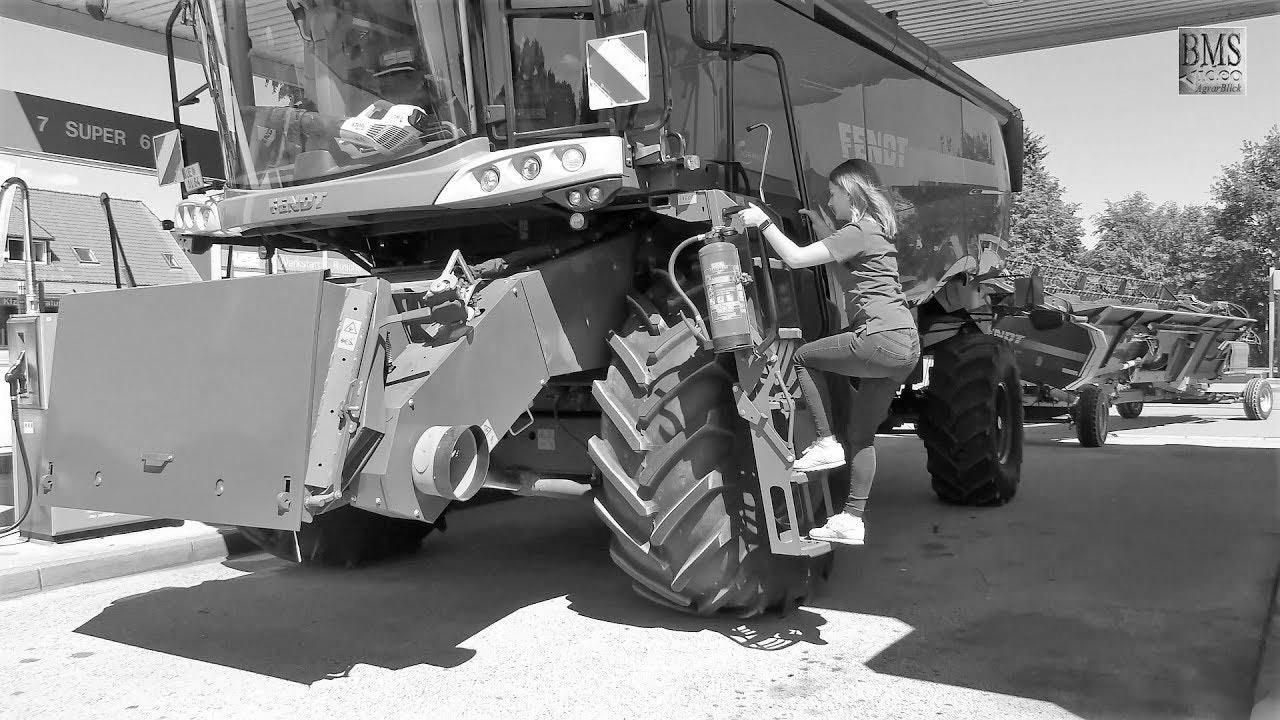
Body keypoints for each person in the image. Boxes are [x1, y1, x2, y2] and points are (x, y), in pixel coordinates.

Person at [734, 159, 920, 546]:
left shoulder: (858, 230)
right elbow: (849, 277)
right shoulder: (873, 234)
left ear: (850, 193)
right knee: (861, 435)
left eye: (833, 194)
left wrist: (763, 222)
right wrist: (824, 232)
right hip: (905, 345)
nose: (830, 201)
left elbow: (796, 258)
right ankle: (852, 519)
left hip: (880, 338)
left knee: (803, 357)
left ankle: (823, 442)